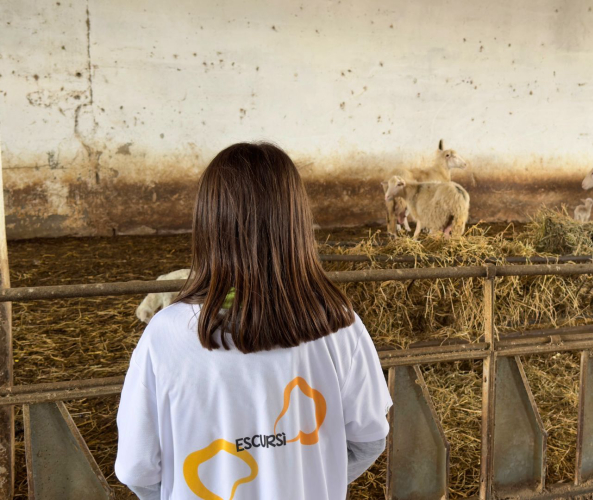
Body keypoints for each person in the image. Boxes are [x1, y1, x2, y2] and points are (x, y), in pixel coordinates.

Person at [115, 142, 391, 499]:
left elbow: (138, 469)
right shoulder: (339, 325)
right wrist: (307, 479)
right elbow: (368, 440)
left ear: (208, 222)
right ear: (296, 223)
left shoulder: (165, 336)